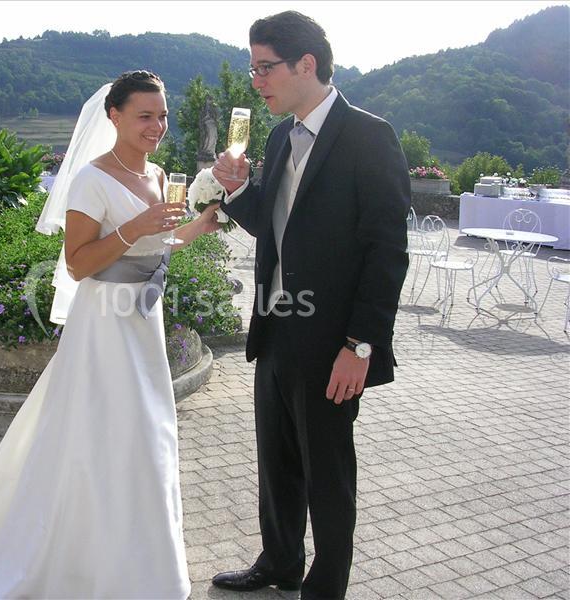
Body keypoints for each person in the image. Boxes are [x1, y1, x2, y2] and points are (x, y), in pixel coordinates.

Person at [0, 71, 221, 599]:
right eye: (145, 115)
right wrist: (136, 228)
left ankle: (139, 561)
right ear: (115, 117)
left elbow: (158, 247)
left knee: (146, 435)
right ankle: (77, 557)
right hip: (103, 324)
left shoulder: (156, 175)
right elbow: (80, 264)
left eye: (163, 115)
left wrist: (199, 226)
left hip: (143, 321)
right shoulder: (91, 178)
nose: (158, 125)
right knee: (107, 434)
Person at [209, 11, 410, 600]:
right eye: (252, 69)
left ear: (306, 64)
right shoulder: (278, 135)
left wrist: (361, 346)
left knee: (328, 476)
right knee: (277, 463)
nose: (256, 81)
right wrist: (238, 191)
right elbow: (276, 233)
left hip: (333, 345)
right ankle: (279, 563)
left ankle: (325, 587)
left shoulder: (370, 136)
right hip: (276, 328)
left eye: (264, 67)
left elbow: (386, 255)